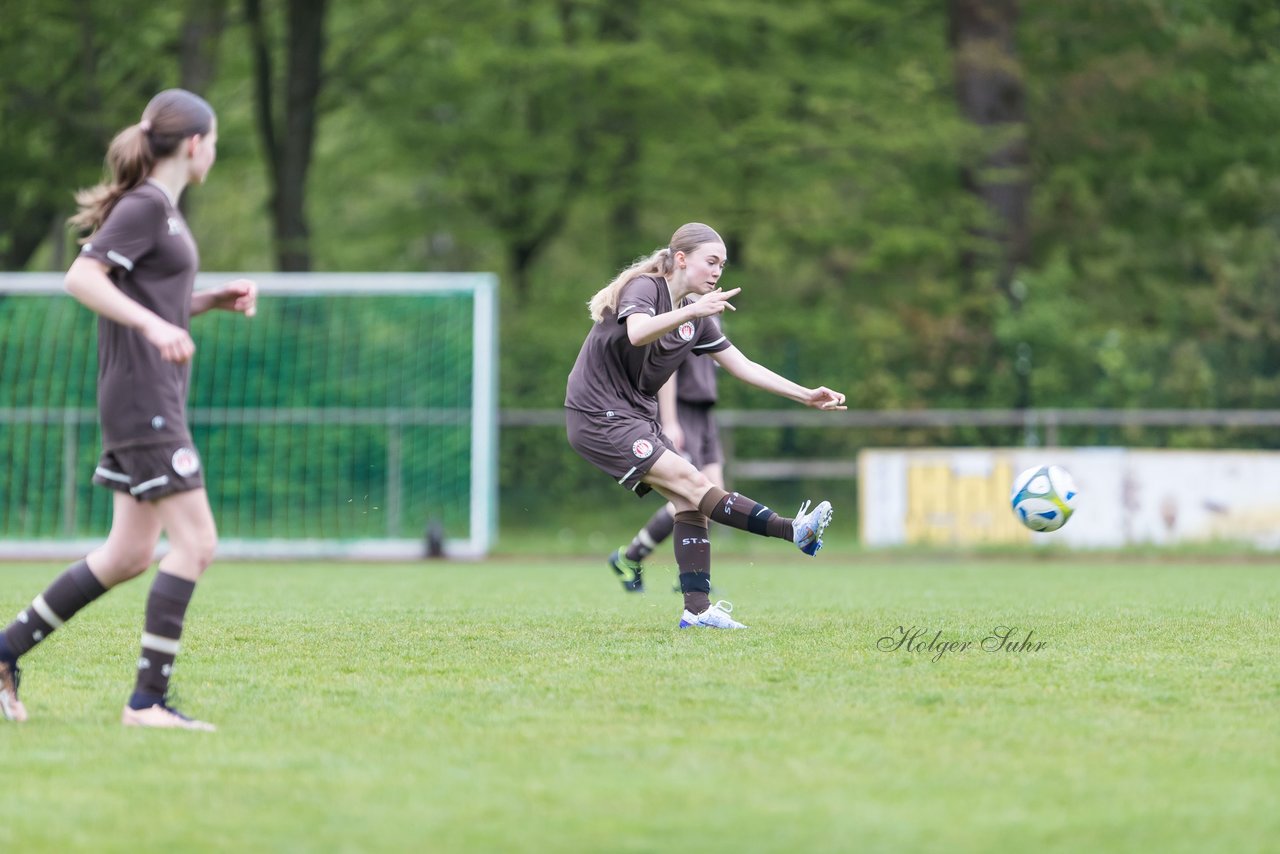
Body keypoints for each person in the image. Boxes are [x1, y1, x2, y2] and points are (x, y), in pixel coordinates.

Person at [0, 89, 257, 730]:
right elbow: (82, 277)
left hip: (145, 396)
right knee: (197, 543)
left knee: (127, 554)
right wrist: (154, 327)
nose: (216, 152)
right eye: (216, 141)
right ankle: (147, 703)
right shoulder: (147, 205)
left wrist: (203, 303)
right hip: (144, 399)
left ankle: (3, 653)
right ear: (195, 144)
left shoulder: (163, 212)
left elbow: (144, 291)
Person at [566, 222, 846, 628]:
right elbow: (638, 331)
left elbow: (743, 366)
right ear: (681, 259)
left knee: (688, 499)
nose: (717, 272)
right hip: (597, 414)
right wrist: (695, 309)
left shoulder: (695, 317)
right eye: (711, 262)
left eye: (723, 265)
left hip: (634, 415)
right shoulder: (647, 288)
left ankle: (696, 611)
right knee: (695, 483)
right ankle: (794, 531)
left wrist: (805, 394)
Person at [607, 343, 727, 594]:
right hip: (681, 412)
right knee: (693, 495)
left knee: (715, 497)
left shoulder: (714, 311)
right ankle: (642, 560)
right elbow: (668, 367)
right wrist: (670, 421)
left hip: (704, 414)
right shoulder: (687, 309)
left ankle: (676, 569)